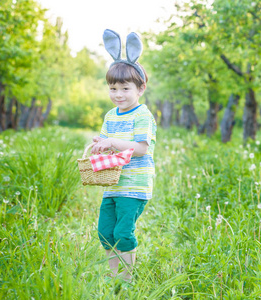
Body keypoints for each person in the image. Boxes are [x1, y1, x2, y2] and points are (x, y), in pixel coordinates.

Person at [91, 30, 156, 287]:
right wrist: (99, 145)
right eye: (113, 88)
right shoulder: (110, 115)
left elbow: (141, 148)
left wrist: (113, 142)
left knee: (122, 232)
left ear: (140, 88)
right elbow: (106, 141)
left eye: (125, 88)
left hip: (135, 186)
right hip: (113, 185)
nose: (118, 94)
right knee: (105, 232)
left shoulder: (142, 116)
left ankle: (126, 279)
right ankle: (113, 276)